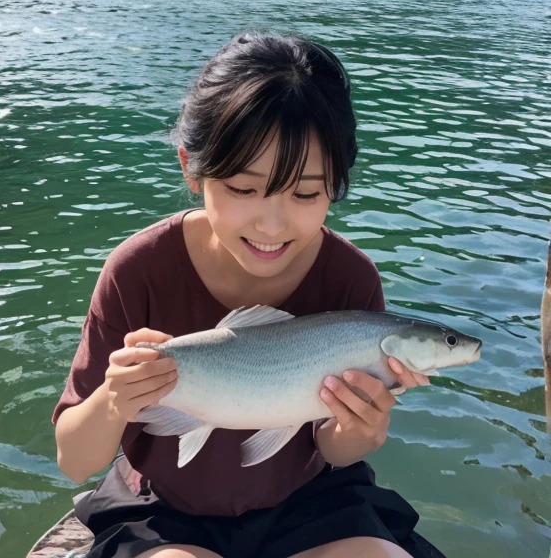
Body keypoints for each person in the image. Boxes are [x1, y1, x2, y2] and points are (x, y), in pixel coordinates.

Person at [52, 31, 445, 558]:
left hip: (310, 503)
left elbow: (331, 447)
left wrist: (363, 429)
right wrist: (116, 399)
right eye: (242, 188)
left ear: (336, 183)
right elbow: (75, 461)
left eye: (306, 192)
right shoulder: (138, 269)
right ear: (191, 167)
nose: (271, 224)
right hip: (165, 510)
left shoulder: (350, 278)